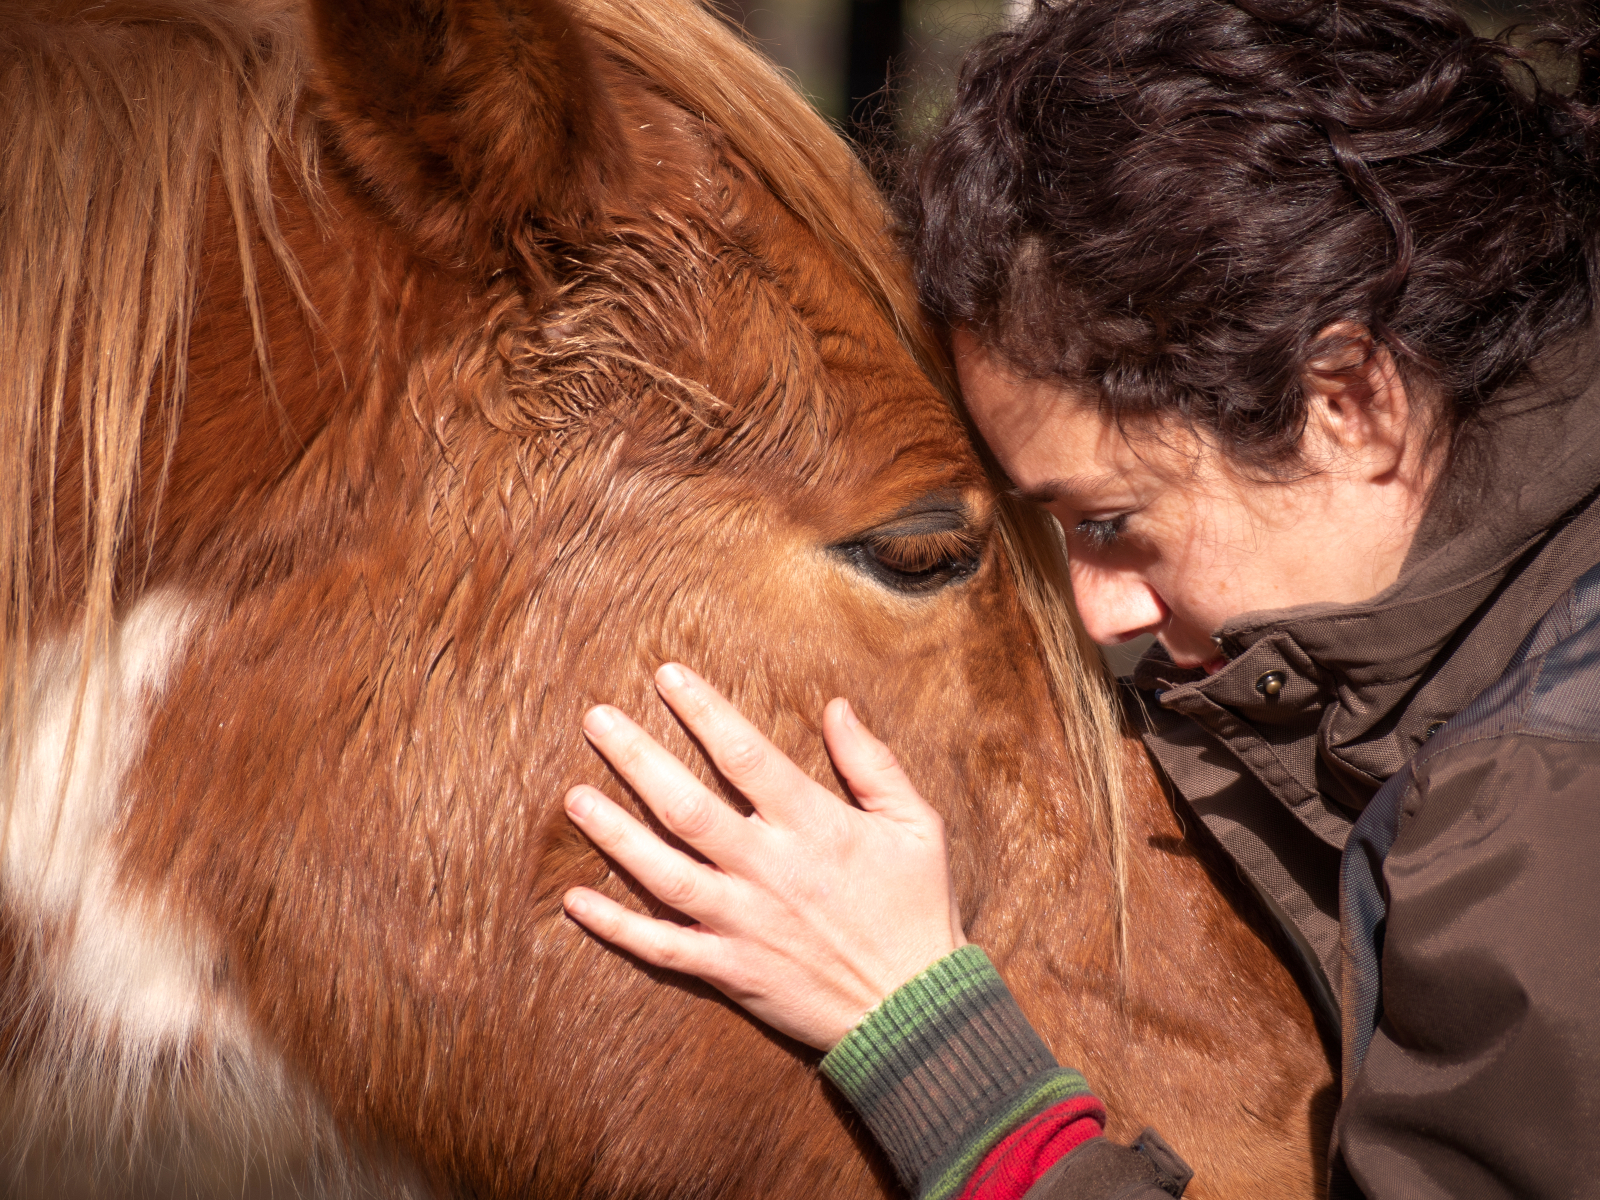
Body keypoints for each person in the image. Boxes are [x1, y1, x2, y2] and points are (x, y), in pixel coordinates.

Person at [558, 1, 1600, 1195]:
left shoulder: (1542, 801)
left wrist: (925, 1041)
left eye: (1111, 523)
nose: (1104, 613)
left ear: (1348, 401)